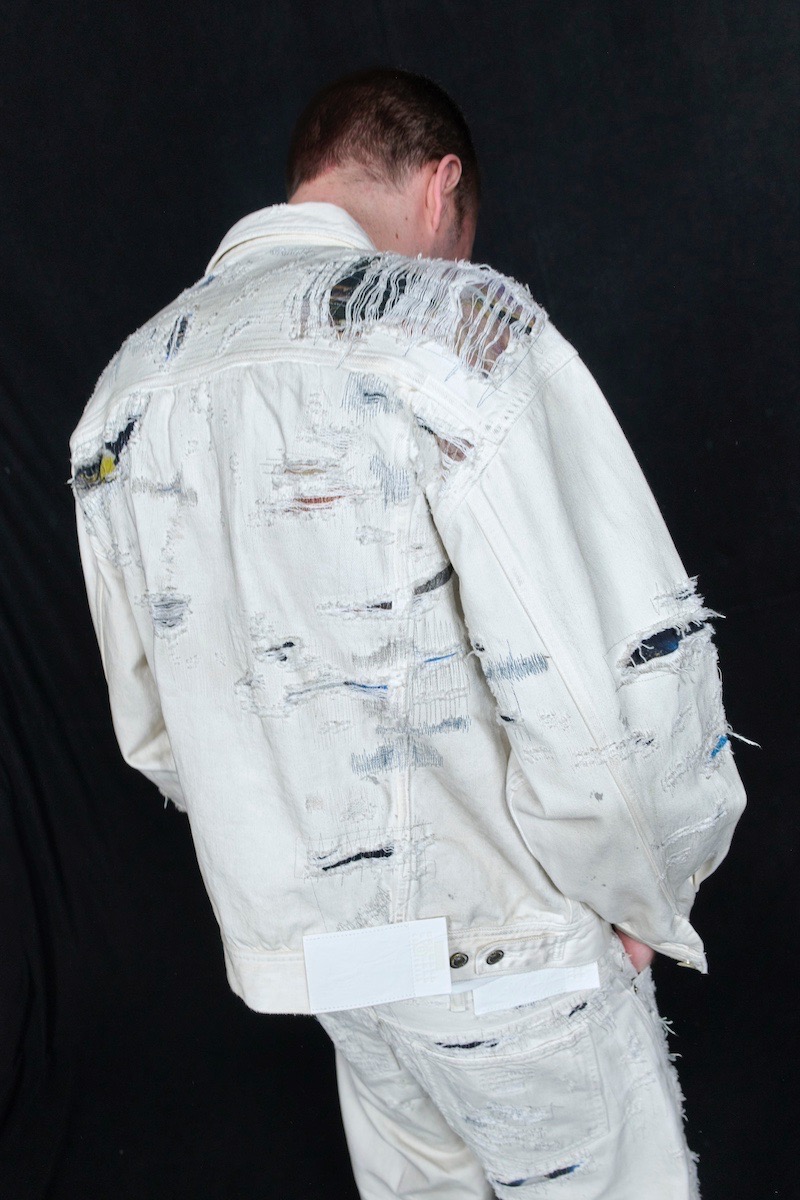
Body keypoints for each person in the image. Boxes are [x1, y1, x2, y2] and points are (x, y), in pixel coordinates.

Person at [70, 69, 746, 1199]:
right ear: (441, 190)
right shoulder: (447, 329)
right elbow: (597, 680)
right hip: (509, 955)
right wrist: (647, 891)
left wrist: (300, 872)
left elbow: (154, 728)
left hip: (327, 968)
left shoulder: (128, 391)